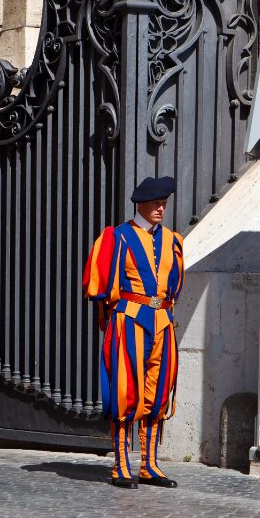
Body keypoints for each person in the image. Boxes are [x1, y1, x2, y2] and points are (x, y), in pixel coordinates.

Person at [82, 176, 185, 489]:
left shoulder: (173, 240)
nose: (160, 209)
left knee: (158, 391)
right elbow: (96, 284)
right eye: (155, 203)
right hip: (128, 319)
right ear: (141, 204)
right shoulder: (117, 237)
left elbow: (176, 284)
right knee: (126, 391)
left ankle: (150, 465)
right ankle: (121, 465)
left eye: (164, 204)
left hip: (163, 322)